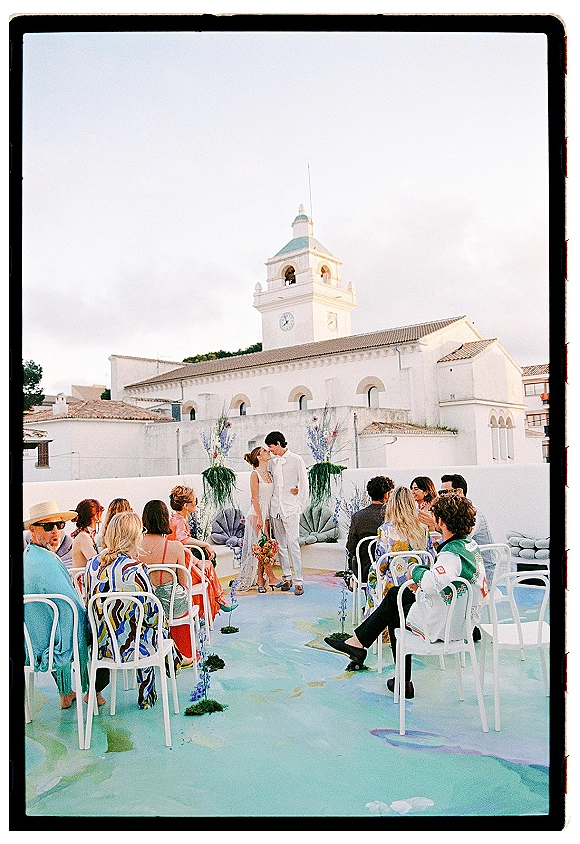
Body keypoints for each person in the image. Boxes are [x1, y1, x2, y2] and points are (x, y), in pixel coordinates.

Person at [324, 493, 487, 699]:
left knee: (395, 602)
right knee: (397, 597)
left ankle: (368, 652)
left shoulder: (451, 555)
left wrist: (415, 573)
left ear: (442, 521)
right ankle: (384, 666)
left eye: (433, 514)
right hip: (463, 620)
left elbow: (431, 583)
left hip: (444, 627)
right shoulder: (468, 547)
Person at [85, 511, 180, 710]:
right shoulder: (136, 569)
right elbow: (152, 613)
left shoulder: (91, 565)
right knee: (155, 625)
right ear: (135, 537)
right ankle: (163, 674)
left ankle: (176, 659)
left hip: (103, 647)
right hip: (133, 648)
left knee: (140, 626)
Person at [23, 501, 99, 709]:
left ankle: (66, 693)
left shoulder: (27, 558)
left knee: (56, 625)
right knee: (99, 627)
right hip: (51, 642)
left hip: (31, 641)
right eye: (48, 527)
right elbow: (71, 608)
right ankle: (94, 691)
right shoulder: (47, 562)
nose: (55, 531)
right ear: (33, 530)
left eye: (59, 525)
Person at [366, 485, 435, 615]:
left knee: (373, 575)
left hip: (395, 586)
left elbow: (381, 564)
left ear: (391, 505)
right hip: (419, 584)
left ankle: (375, 621)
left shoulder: (385, 530)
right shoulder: (423, 528)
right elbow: (430, 558)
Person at [167, 485, 235, 615]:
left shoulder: (174, 519)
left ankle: (215, 603)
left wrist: (196, 560)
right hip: (182, 568)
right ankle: (217, 602)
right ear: (186, 505)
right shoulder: (179, 521)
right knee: (208, 569)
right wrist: (205, 544)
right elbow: (182, 540)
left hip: (181, 563)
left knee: (207, 566)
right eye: (195, 501)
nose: (196, 504)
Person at [265, 431, 309, 596]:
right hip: (276, 508)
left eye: (271, 447)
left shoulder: (297, 460)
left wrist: (299, 506)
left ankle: (298, 581)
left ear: (278, 443)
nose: (270, 451)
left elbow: (304, 486)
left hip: (291, 509)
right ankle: (287, 577)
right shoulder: (272, 462)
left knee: (293, 544)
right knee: (281, 546)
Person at [440, 473, 494, 583]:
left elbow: (460, 539)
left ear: (459, 492)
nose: (442, 496)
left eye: (445, 492)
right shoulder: (456, 513)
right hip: (468, 567)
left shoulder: (473, 513)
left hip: (483, 574)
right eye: (440, 493)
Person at [238, 446, 277, 592]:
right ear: (259, 457)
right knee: (262, 546)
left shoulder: (268, 473)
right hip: (257, 513)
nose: (268, 452)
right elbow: (254, 498)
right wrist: (260, 517)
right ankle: (268, 578)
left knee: (264, 547)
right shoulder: (255, 474)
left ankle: (262, 580)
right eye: (265, 451)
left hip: (267, 512)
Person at [344, 476, 394, 589]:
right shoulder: (394, 516)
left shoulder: (358, 517)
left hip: (365, 573)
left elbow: (351, 547)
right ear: (386, 494)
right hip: (391, 572)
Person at [71, 499, 104, 568]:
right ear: (95, 516)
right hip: (83, 578)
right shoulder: (83, 537)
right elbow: (96, 563)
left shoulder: (85, 535)